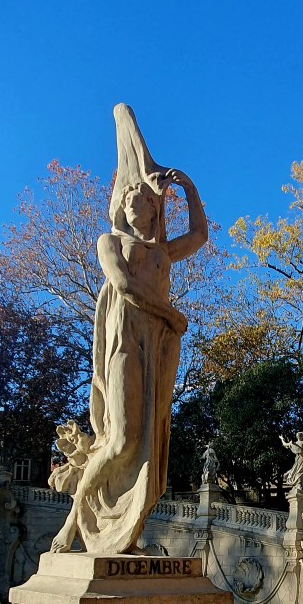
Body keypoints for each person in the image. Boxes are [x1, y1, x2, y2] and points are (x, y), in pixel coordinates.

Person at [51, 104, 208, 554]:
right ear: (121, 206)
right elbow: (123, 284)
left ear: (157, 210)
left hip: (157, 347)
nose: (141, 205)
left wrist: (188, 187)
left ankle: (128, 534)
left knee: (151, 449)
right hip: (125, 341)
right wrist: (172, 315)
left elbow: (199, 235)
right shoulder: (110, 243)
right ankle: (73, 524)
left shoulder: (163, 253)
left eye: (148, 201)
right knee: (121, 438)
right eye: (133, 199)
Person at [279, 421, 303, 489]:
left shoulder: (294, 443)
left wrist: (282, 439)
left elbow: (285, 444)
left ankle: (300, 485)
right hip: (302, 458)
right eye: (302, 435)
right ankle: (299, 484)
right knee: (299, 471)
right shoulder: (302, 442)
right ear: (301, 436)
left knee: (299, 471)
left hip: (300, 459)